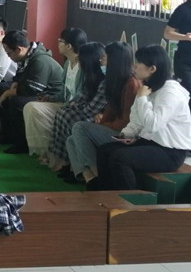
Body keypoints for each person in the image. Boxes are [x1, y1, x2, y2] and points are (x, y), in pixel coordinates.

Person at [90, 45, 191, 191]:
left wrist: (142, 98)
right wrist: (124, 136)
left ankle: (130, 199)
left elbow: (153, 124)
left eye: (139, 63)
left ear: (152, 69)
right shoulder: (149, 88)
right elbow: (137, 121)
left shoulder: (171, 92)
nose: (134, 66)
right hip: (149, 143)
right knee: (105, 150)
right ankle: (105, 192)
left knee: (119, 158)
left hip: (170, 152)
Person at [65, 42, 140, 185]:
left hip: (124, 136)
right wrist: (102, 125)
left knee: (79, 127)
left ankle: (100, 177)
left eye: (105, 58)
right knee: (71, 140)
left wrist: (104, 126)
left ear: (115, 61)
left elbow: (126, 122)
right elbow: (110, 111)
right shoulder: (114, 81)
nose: (101, 61)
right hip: (113, 130)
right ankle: (90, 180)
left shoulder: (132, 84)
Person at [24, 28, 87, 161]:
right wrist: (49, 98)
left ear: (69, 46)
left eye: (60, 41)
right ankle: (44, 150)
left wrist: (70, 104)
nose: (57, 43)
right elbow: (64, 92)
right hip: (65, 104)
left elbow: (83, 93)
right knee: (31, 107)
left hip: (75, 108)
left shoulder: (83, 67)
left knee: (54, 112)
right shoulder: (67, 63)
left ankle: (55, 155)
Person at [0, 30, 64, 153]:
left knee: (16, 102)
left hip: (50, 96)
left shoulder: (40, 61)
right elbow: (19, 75)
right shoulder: (27, 57)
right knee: (3, 92)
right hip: (37, 92)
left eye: (9, 53)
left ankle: (22, 143)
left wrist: (8, 93)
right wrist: (14, 84)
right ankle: (8, 136)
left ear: (18, 49)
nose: (8, 56)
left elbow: (33, 89)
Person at [47, 42, 108, 175]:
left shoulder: (105, 79)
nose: (78, 63)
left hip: (99, 116)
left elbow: (92, 109)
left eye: (81, 60)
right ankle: (63, 159)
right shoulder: (90, 76)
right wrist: (74, 104)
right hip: (90, 110)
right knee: (62, 112)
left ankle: (74, 164)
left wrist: (82, 107)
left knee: (70, 117)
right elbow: (82, 96)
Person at [164, 0, 191, 153]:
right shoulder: (183, 10)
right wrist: (186, 37)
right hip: (186, 63)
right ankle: (190, 144)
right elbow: (167, 33)